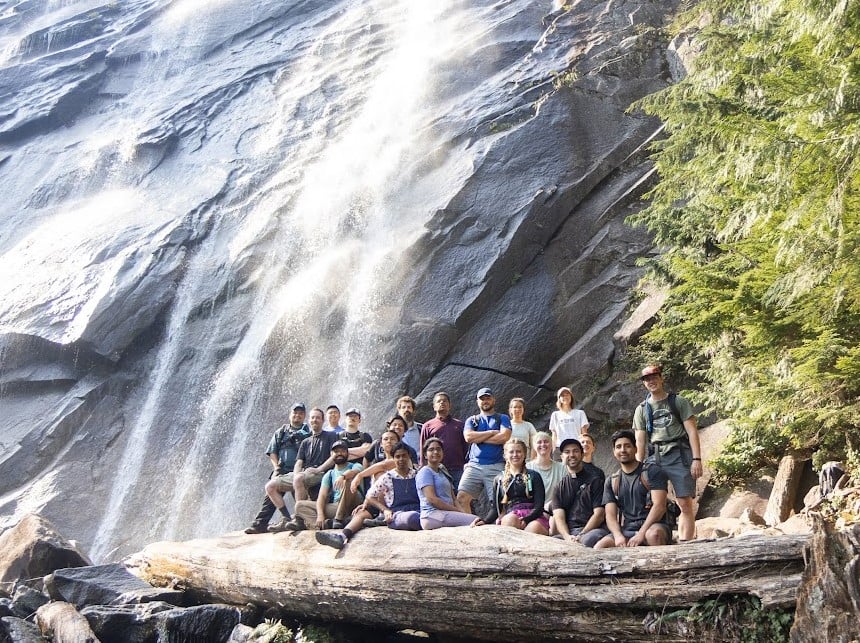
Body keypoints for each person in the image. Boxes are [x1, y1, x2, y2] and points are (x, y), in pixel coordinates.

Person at [633, 363, 702, 542]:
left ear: (661, 378)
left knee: (685, 502)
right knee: (657, 502)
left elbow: (692, 431)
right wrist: (637, 467)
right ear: (644, 383)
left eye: (654, 377)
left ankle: (686, 543)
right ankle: (660, 538)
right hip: (655, 456)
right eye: (647, 379)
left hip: (679, 453)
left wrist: (696, 459)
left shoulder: (678, 402)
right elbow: (640, 441)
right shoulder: (641, 409)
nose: (651, 381)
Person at [316, 441, 420, 550]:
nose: (401, 459)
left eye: (404, 456)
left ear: (409, 456)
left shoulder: (417, 475)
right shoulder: (388, 477)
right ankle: (341, 536)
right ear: (393, 459)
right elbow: (370, 496)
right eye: (397, 456)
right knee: (412, 518)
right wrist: (384, 510)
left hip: (417, 510)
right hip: (397, 513)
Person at [595, 430, 670, 548]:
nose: (623, 450)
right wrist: (617, 535)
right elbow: (610, 515)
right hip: (628, 529)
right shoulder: (612, 481)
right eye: (618, 447)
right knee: (600, 546)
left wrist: (641, 533)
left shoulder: (652, 472)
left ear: (635, 449)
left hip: (654, 525)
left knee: (653, 535)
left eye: (627, 446)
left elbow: (659, 506)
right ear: (614, 452)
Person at [266, 408, 338, 530]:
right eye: (312, 418)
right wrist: (296, 473)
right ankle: (287, 518)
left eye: (318, 418)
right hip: (304, 473)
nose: (315, 420)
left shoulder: (331, 436)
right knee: (270, 486)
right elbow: (299, 462)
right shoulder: (305, 441)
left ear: (323, 420)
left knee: (299, 479)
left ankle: (299, 519)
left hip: (321, 472)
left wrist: (319, 468)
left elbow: (334, 456)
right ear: (309, 420)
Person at [244, 403, 311, 534]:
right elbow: (273, 451)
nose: (297, 415)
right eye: (295, 412)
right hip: (283, 469)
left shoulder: (308, 432)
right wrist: (276, 468)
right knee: (270, 496)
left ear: (304, 416)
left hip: (299, 470)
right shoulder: (281, 432)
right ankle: (262, 523)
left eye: (301, 413)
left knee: (302, 499)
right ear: (290, 414)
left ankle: (301, 521)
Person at [456, 388, 511, 513]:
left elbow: (504, 437)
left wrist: (479, 438)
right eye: (482, 399)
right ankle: (469, 526)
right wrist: (491, 432)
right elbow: (468, 437)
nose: (485, 401)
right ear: (477, 402)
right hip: (474, 465)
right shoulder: (472, 420)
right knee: (461, 499)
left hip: (496, 465)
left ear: (493, 400)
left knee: (500, 502)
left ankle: (501, 529)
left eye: (488, 398)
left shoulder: (502, 418)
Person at [290, 441, 363, 531]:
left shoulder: (356, 465)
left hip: (354, 504)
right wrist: (320, 515)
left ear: (347, 453)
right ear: (331, 454)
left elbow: (355, 472)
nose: (339, 453)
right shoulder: (330, 474)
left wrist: (343, 476)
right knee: (300, 505)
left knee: (348, 481)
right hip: (337, 506)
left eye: (342, 451)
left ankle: (338, 520)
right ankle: (327, 524)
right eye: (336, 451)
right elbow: (322, 496)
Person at [550, 438, 607, 546]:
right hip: (570, 533)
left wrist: (582, 534)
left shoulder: (596, 481)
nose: (571, 455)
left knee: (588, 540)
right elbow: (559, 517)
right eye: (567, 452)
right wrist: (567, 537)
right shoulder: (559, 487)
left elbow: (599, 514)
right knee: (551, 543)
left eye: (575, 451)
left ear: (581, 454)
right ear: (562, 457)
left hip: (592, 530)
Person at [485, 438, 547, 534]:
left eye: (518, 452)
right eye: (511, 452)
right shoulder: (499, 479)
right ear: (505, 455)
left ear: (525, 454)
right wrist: (484, 521)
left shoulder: (534, 476)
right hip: (512, 514)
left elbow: (539, 506)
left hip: (533, 516)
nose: (515, 455)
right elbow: (495, 509)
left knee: (533, 528)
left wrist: (526, 519)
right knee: (510, 519)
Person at [417, 438, 482, 529]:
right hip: (432, 515)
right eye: (431, 450)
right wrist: (457, 511)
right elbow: (432, 499)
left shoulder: (442, 471)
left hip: (447, 513)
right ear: (425, 455)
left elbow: (454, 499)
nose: (435, 452)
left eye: (438, 449)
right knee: (476, 520)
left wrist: (462, 512)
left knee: (474, 520)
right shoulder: (425, 472)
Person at [419, 392, 468, 491]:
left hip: (457, 468)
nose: (442, 403)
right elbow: (423, 448)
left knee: (460, 498)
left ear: (449, 405)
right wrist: (423, 467)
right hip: (437, 469)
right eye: (439, 401)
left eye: (445, 401)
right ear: (434, 406)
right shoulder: (428, 426)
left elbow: (465, 447)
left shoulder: (459, 425)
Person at [527, 431, 567, 512]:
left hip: (555, 509)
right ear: (534, 447)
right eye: (539, 442)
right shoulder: (527, 468)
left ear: (552, 445)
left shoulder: (562, 468)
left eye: (546, 441)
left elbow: (566, 492)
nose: (543, 445)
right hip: (532, 509)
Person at [548, 387, 590, 451]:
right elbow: (554, 434)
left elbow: (584, 433)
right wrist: (553, 449)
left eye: (567, 394)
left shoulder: (580, 413)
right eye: (562, 395)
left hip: (576, 446)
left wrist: (584, 447)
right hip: (560, 447)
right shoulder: (555, 415)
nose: (565, 397)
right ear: (559, 399)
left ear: (571, 397)